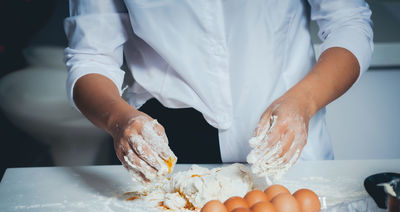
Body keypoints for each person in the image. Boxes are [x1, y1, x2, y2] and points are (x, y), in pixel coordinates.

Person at [64, 0, 373, 180]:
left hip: (288, 133)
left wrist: (304, 101)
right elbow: (91, 56)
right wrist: (120, 120)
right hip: (167, 144)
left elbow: (349, 22)